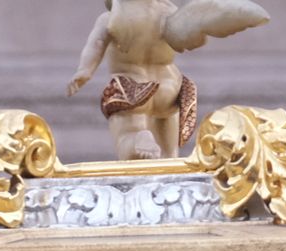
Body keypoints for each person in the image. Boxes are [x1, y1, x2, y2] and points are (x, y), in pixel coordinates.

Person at [66, 0, 270, 160]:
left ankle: (138, 138)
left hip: (132, 88)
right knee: (170, 154)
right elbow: (202, 19)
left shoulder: (112, 18)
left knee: (126, 139)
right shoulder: (170, 13)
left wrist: (84, 71)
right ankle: (167, 157)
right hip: (171, 88)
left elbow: (97, 43)